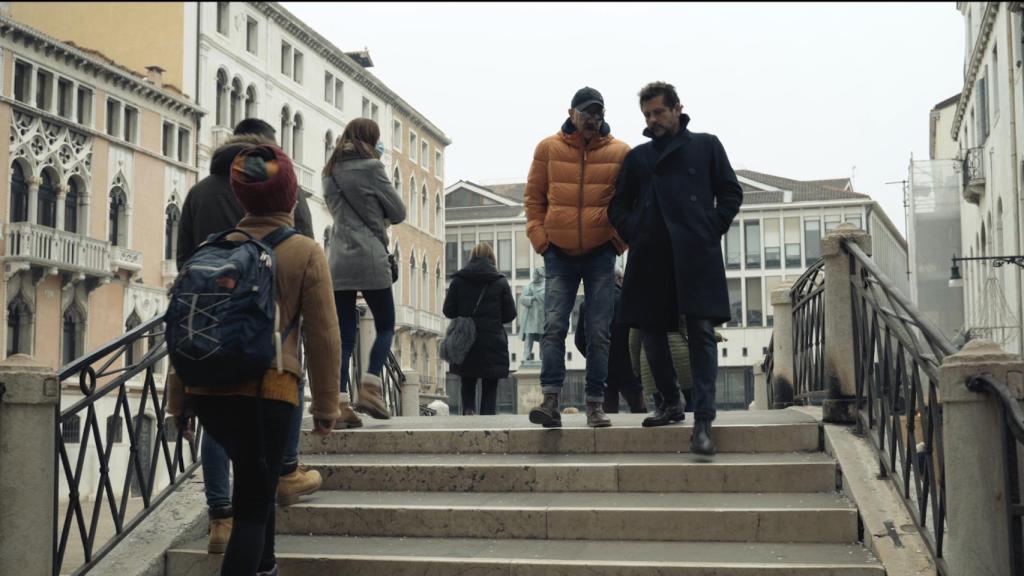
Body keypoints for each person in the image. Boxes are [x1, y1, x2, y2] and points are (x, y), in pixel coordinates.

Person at [172, 143, 340, 576]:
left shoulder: (211, 249)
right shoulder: (305, 252)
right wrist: (326, 406)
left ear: (241, 195)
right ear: (290, 197)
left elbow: (184, 326)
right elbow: (323, 337)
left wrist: (180, 400)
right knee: (252, 504)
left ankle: (266, 567)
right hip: (268, 392)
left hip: (208, 391)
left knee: (256, 486)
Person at [608, 81, 743, 456]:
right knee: (650, 330)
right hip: (651, 254)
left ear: (677, 108)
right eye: (647, 115)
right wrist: (636, 230)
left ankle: (703, 419)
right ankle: (670, 402)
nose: (653, 120)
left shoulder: (706, 145)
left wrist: (709, 227)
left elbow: (731, 192)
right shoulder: (638, 158)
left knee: (700, 330)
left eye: (658, 112)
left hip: (694, 253)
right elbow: (617, 206)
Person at [524, 86, 631, 428]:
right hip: (559, 253)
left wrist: (618, 242)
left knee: (599, 331)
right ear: (571, 113)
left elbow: (631, 202)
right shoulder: (548, 148)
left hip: (601, 253)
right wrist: (541, 240)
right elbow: (533, 199)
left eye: (598, 114)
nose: (592, 120)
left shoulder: (620, 152)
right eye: (586, 113)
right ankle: (551, 400)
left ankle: (595, 405)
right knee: (554, 327)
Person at [323, 118, 405, 424]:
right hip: (370, 255)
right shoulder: (372, 168)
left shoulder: (328, 170)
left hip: (339, 259)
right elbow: (398, 212)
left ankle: (340, 403)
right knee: (385, 325)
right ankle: (370, 386)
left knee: (344, 336)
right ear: (371, 140)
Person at [443, 243, 517, 415]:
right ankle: (487, 420)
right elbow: (510, 314)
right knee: (490, 384)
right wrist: (494, 320)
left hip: (465, 341)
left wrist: (464, 315)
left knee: (467, 380)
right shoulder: (500, 281)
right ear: (492, 258)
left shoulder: (458, 280)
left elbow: (448, 310)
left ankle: (468, 413)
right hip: (492, 341)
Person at [574, 268, 646, 413]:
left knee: (607, 415)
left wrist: (594, 356)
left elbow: (579, 340)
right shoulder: (630, 301)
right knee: (639, 412)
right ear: (620, 279)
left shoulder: (587, 304)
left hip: (602, 368)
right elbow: (639, 336)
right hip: (629, 367)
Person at [517, 266, 546, 361]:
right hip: (530, 317)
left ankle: (543, 357)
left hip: (541, 317)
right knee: (529, 336)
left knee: (543, 337)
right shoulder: (529, 286)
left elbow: (548, 300)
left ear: (540, 275)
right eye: (533, 274)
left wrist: (537, 297)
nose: (533, 276)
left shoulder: (546, 287)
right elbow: (522, 299)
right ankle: (526, 356)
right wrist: (531, 298)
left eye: (535, 274)